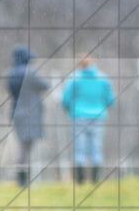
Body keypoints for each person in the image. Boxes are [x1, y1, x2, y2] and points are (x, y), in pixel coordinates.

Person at [61, 53, 116, 183]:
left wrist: (70, 109)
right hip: (98, 116)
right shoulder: (103, 78)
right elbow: (111, 100)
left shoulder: (74, 78)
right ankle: (95, 178)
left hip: (78, 116)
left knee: (79, 147)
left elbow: (65, 99)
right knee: (96, 146)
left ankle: (80, 180)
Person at [6, 45, 48, 186]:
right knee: (27, 147)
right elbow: (44, 85)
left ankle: (22, 178)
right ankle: (25, 179)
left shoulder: (12, 73)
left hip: (17, 113)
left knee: (22, 145)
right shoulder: (30, 72)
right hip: (31, 113)